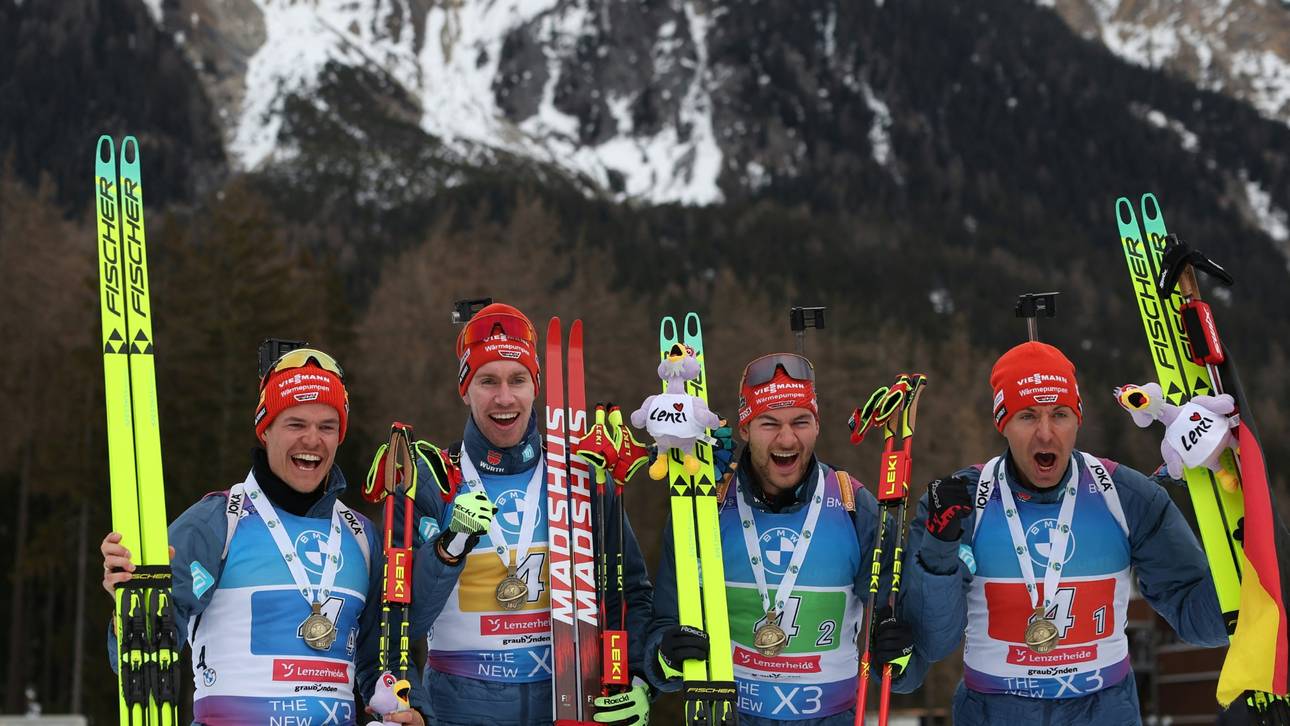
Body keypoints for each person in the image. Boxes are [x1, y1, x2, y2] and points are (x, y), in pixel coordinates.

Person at [902, 340, 1229, 724]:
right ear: (1002, 422)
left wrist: (1241, 542)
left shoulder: (1125, 495)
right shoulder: (960, 502)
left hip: (1104, 712)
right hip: (995, 713)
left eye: (1059, 414)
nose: (1045, 434)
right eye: (1027, 416)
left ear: (1078, 418)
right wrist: (939, 550)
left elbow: (1202, 621)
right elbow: (931, 643)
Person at [379, 302, 655, 726]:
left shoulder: (579, 476)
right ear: (465, 389)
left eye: (517, 380)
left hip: (565, 703)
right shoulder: (433, 479)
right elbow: (403, 622)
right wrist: (448, 546)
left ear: (535, 387)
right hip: (459, 710)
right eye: (487, 381)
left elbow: (630, 589)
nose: (503, 398)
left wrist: (638, 677)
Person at [100, 348, 401, 724]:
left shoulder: (361, 537)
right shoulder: (216, 522)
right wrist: (128, 606)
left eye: (327, 426)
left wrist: (403, 709)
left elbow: (381, 662)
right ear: (265, 429)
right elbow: (147, 648)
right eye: (295, 424)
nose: (312, 440)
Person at [642, 353, 946, 725]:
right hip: (730, 715)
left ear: (816, 426)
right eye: (769, 423)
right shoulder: (707, 506)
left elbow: (899, 650)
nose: (787, 439)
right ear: (745, 428)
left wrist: (897, 651)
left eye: (800, 422)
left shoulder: (854, 505)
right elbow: (665, 625)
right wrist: (666, 656)